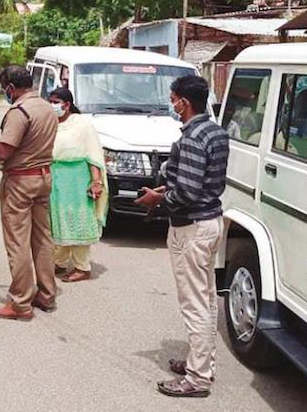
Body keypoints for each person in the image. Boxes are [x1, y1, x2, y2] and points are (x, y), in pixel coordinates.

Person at [135, 75, 229, 399]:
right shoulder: (216, 132)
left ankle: (198, 378)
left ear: (183, 102)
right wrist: (165, 190)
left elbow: (186, 192)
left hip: (191, 227)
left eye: (173, 98)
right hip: (210, 221)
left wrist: (157, 200)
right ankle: (201, 363)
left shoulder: (191, 138)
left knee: (196, 306)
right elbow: (199, 182)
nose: (171, 103)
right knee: (206, 300)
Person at [0, 65, 59, 321]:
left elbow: (5, 152)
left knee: (18, 241)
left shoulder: (20, 112)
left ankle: (20, 303)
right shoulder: (45, 107)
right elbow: (24, 144)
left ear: (10, 87)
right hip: (43, 177)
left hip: (21, 182)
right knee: (42, 238)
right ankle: (46, 293)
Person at [47, 87, 107, 283]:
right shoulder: (50, 123)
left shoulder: (82, 125)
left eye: (55, 102)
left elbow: (93, 155)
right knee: (59, 222)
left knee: (77, 221)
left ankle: (82, 267)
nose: (52, 105)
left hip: (77, 178)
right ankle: (60, 261)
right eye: (50, 101)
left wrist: (96, 182)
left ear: (67, 104)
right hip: (56, 178)